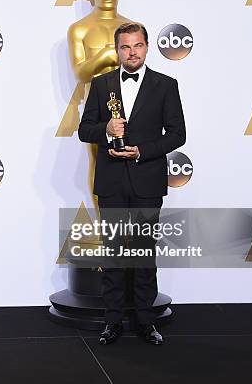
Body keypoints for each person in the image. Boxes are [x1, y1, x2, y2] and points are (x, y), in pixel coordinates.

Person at [78, 22, 186, 345]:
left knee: (143, 256)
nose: (132, 52)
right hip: (111, 183)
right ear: (117, 50)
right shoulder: (101, 84)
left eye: (137, 45)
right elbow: (85, 130)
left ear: (147, 46)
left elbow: (178, 134)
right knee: (113, 255)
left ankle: (145, 320)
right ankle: (112, 322)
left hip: (147, 181)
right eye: (125, 47)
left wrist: (143, 151)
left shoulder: (166, 85)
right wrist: (107, 130)